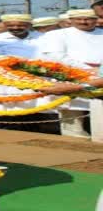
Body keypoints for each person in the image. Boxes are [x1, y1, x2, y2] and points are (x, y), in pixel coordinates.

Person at [39, 9, 103, 137]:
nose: (83, 22)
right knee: (73, 123)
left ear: (96, 20)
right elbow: (55, 57)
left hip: (100, 79)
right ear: (70, 20)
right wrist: (88, 69)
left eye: (88, 19)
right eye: (79, 19)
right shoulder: (57, 34)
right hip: (70, 78)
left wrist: (99, 71)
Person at [0, 14, 46, 113]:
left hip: (37, 75)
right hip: (6, 78)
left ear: (29, 25)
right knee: (6, 109)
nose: (15, 28)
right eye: (11, 26)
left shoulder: (43, 37)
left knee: (38, 107)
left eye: (21, 25)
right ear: (5, 25)